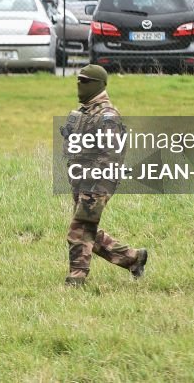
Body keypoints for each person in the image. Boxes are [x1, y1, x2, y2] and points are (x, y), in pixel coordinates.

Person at [62, 64, 148, 286]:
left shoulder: (107, 116)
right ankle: (133, 258)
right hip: (81, 180)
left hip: (97, 182)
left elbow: (111, 154)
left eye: (85, 81)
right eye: (78, 80)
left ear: (98, 85)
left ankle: (77, 278)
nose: (79, 85)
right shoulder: (85, 113)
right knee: (87, 229)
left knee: (78, 229)